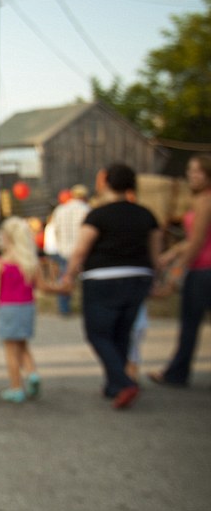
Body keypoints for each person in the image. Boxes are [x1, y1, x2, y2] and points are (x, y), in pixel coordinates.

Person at [57, 163, 161, 410]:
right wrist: (156, 280)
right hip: (138, 277)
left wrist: (68, 276)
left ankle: (124, 382)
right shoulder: (146, 215)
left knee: (98, 333)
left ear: (105, 181)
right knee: (121, 332)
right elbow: (155, 254)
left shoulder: (97, 215)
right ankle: (114, 384)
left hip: (102, 278)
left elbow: (81, 249)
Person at [149, 153, 211, 388]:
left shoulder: (205, 201)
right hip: (202, 266)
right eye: (190, 170)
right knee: (190, 325)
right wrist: (171, 254)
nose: (192, 176)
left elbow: (197, 241)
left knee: (189, 325)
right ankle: (177, 371)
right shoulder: (201, 200)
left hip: (203, 269)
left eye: (198, 171)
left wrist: (178, 271)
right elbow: (193, 239)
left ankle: (176, 374)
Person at [0, 217, 42, 403]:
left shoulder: (1, 264)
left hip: (8, 309)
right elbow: (41, 286)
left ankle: (16, 388)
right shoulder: (30, 262)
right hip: (27, 307)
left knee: (10, 350)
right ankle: (32, 374)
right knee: (23, 344)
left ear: (7, 238)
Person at [48, 184, 90, 316]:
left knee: (65, 277)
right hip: (81, 249)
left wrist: (60, 245)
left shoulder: (61, 209)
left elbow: (55, 230)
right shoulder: (86, 210)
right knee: (85, 280)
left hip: (64, 250)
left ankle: (64, 308)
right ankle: (86, 308)